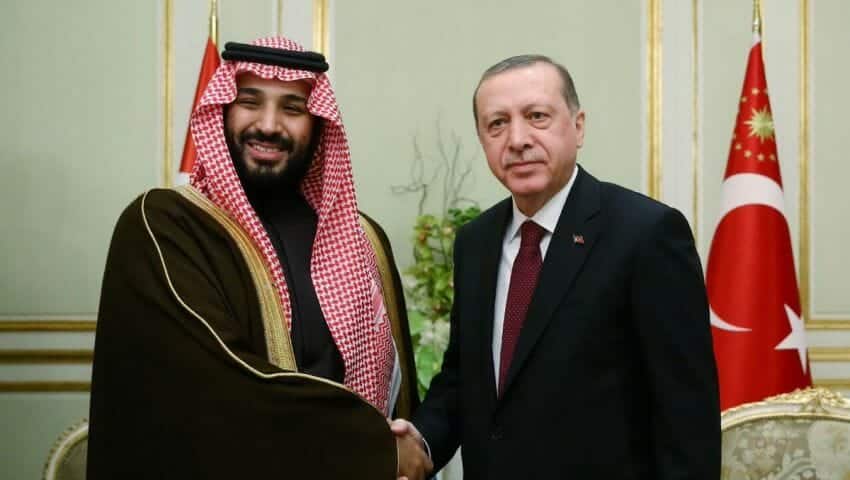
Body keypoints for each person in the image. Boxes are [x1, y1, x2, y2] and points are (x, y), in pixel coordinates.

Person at [88, 37, 422, 479]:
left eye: (292, 108)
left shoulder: (363, 239)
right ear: (223, 110)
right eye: (249, 102)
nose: (268, 125)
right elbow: (218, 389)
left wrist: (405, 448)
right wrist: (376, 449)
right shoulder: (166, 225)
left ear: (317, 123)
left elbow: (400, 392)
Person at [392, 55, 721, 479]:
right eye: (497, 124)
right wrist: (419, 443)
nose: (517, 140)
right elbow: (464, 382)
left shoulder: (646, 233)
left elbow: (686, 417)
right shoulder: (476, 242)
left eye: (537, 117)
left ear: (578, 126)